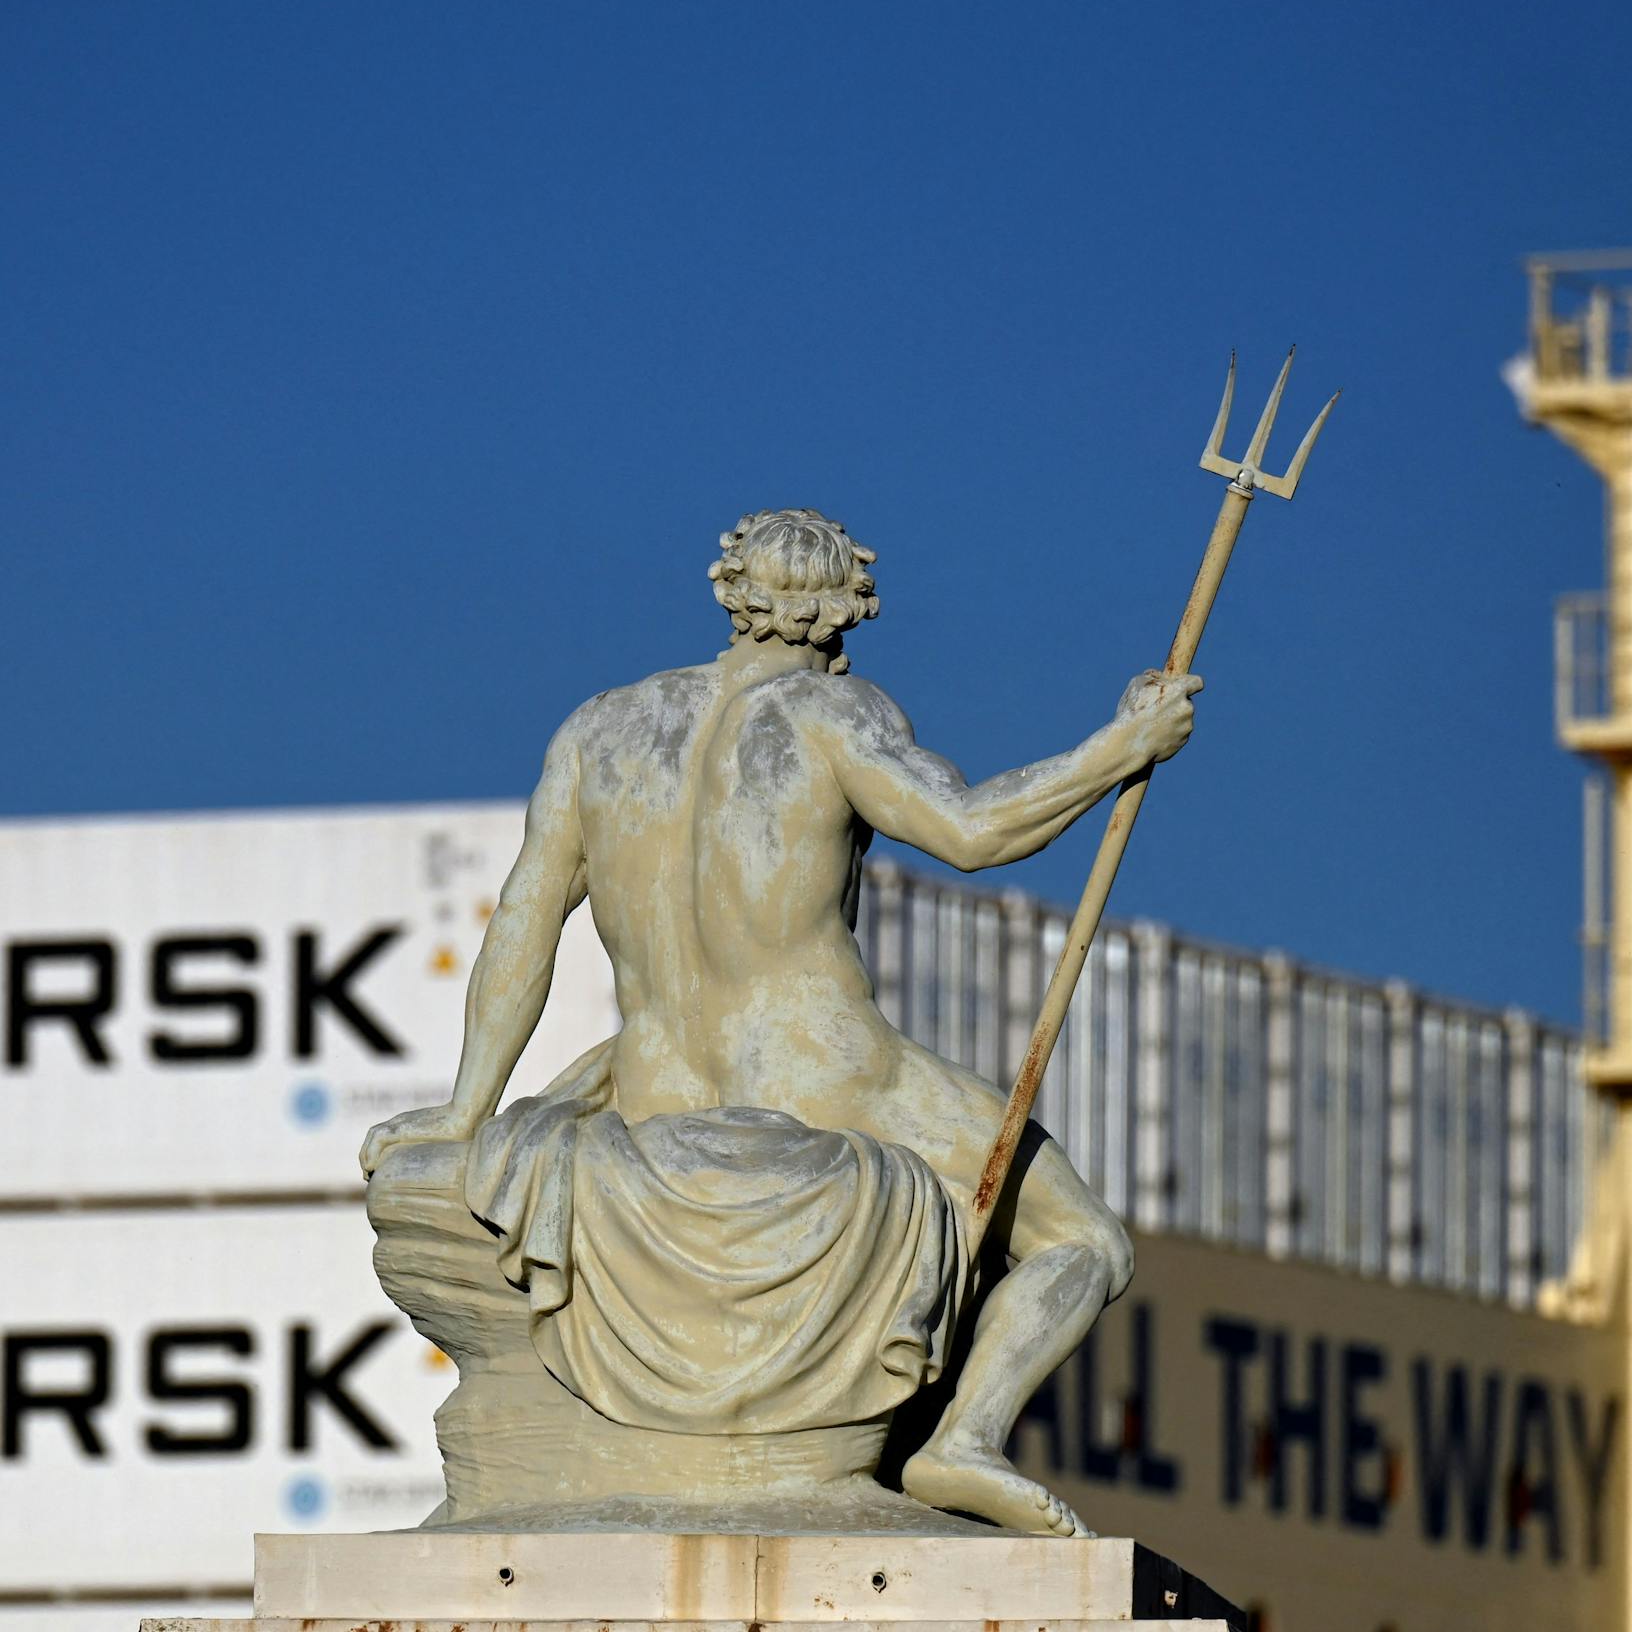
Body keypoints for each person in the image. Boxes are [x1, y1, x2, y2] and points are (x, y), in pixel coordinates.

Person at [362, 507, 1200, 1535]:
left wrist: (466, 1110)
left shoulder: (601, 728)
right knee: (1085, 1240)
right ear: (848, 612)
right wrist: (1123, 746)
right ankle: (963, 1440)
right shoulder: (833, 716)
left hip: (655, 1084)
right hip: (825, 1071)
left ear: (732, 593)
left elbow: (524, 921)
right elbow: (974, 831)